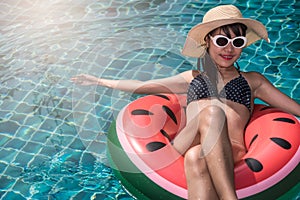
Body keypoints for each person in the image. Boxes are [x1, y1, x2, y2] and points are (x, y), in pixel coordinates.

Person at [71, 5, 300, 200]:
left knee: (196, 158)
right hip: (185, 143)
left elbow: (294, 108)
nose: (229, 49)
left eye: (237, 41)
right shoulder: (193, 78)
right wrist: (101, 81)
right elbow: (145, 86)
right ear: (207, 42)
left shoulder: (253, 81)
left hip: (232, 151)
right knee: (211, 113)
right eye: (221, 40)